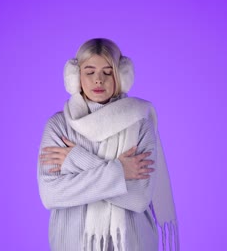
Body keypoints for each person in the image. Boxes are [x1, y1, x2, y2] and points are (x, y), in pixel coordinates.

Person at [37, 38, 179, 251]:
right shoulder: (58, 126)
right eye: (89, 71)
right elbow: (51, 195)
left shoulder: (140, 124)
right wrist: (120, 171)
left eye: (108, 71)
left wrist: (75, 161)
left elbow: (139, 198)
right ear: (76, 77)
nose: (98, 80)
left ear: (121, 75)